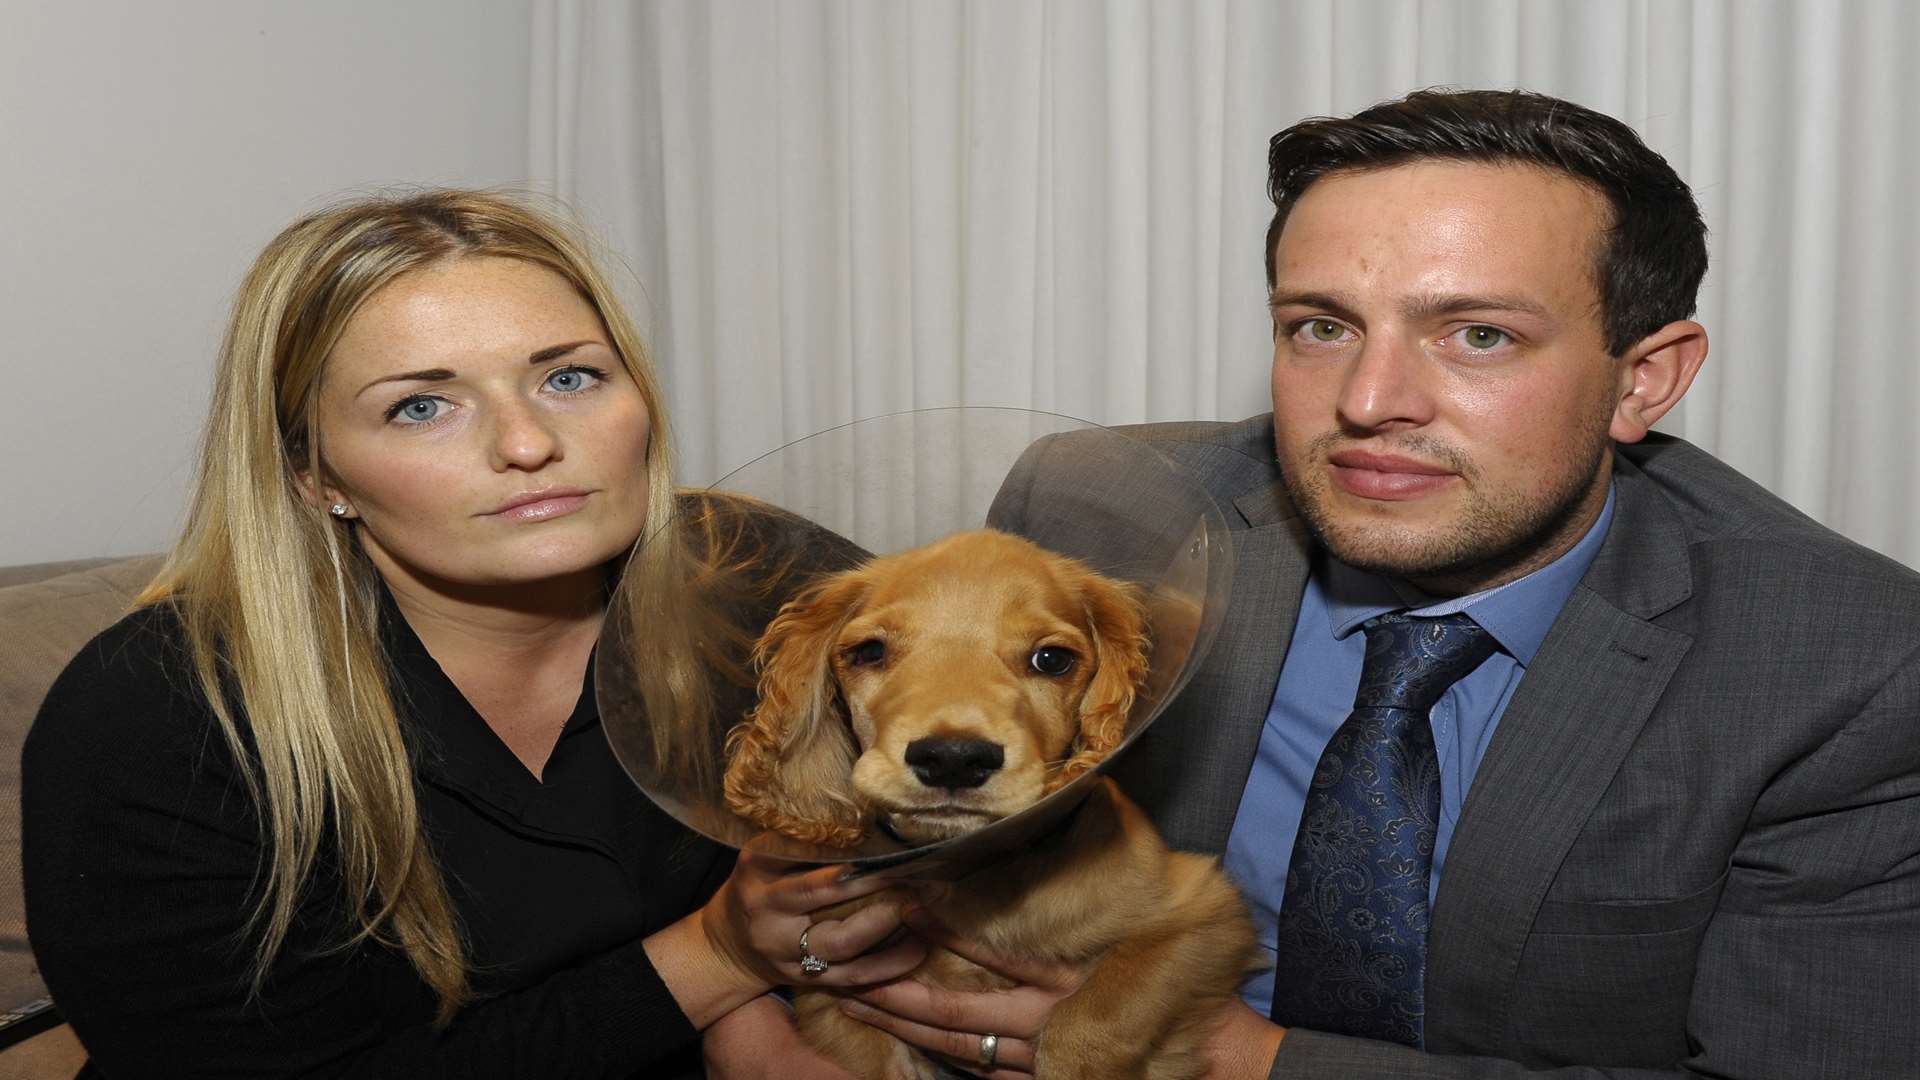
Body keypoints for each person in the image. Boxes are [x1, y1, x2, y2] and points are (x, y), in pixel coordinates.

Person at [846, 90, 1920, 1078]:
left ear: (1645, 378)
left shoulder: (1841, 662)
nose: (1368, 401)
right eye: (1321, 326)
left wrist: (1244, 1062)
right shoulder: (1107, 516)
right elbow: (930, 812)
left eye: (1479, 335)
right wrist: (783, 937)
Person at [21, 190, 918, 1078]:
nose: (528, 442)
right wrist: (720, 961)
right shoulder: (157, 716)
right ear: (311, 474)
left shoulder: (758, 578)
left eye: (570, 377)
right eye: (422, 406)